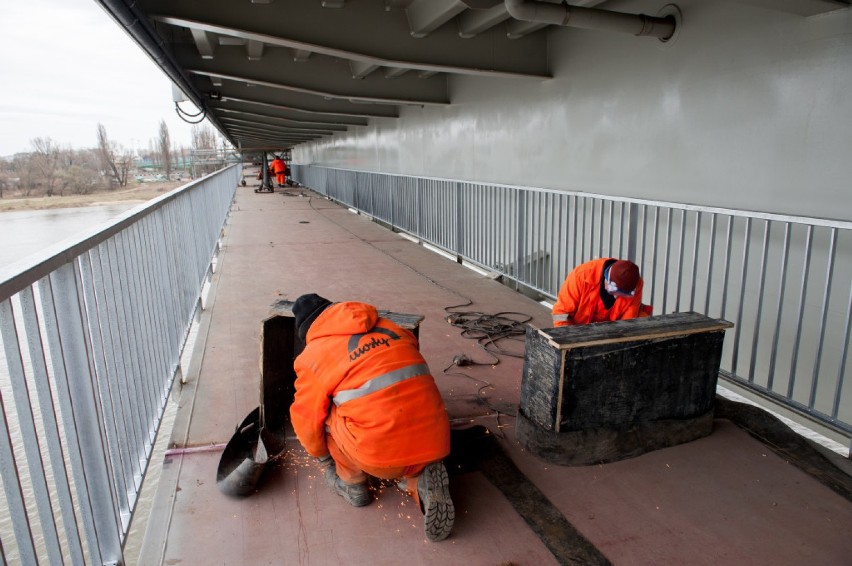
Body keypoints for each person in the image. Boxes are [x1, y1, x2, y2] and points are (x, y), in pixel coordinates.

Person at [289, 293, 455, 542]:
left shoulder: (313, 357)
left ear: (308, 331)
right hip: (437, 438)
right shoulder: (391, 327)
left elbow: (305, 420)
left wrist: (322, 458)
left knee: (324, 412)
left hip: (379, 456)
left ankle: (352, 484)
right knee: (393, 396)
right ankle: (417, 480)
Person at [552, 258, 648, 327]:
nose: (615, 297)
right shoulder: (580, 276)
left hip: (611, 332)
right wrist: (569, 339)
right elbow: (560, 314)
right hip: (576, 329)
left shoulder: (636, 284)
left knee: (642, 319)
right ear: (607, 278)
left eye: (622, 294)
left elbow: (627, 323)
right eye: (613, 291)